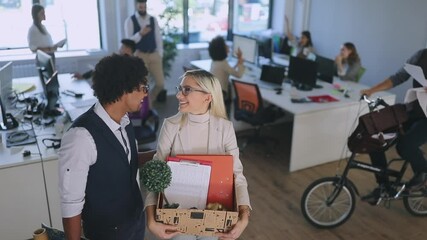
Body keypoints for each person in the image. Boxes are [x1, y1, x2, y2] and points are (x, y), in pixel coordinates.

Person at [145, 69, 251, 240]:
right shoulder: (170, 126)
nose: (179, 95)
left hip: (214, 212)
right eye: (180, 89)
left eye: (187, 89)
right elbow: (156, 175)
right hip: (176, 215)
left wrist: (244, 217)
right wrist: (150, 219)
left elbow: (237, 176)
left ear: (207, 97)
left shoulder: (225, 128)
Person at [58, 54, 150, 240]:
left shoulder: (123, 120)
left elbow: (123, 161)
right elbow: (71, 203)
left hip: (134, 222)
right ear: (125, 90)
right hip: (106, 233)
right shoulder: (80, 137)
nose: (145, 94)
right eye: (143, 88)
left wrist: (159, 155)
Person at [360, 48, 427, 204]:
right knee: (374, 137)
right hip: (414, 110)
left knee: (405, 146)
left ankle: (423, 172)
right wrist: (372, 90)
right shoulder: (421, 55)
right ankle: (384, 186)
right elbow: (398, 77)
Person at [124, 0, 167, 103]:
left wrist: (160, 53)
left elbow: (158, 38)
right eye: (140, 7)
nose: (142, 9)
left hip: (154, 54)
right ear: (136, 6)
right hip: (140, 55)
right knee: (144, 85)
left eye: (144, 7)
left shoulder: (153, 20)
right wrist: (140, 33)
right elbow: (128, 42)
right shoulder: (130, 20)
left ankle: (149, 102)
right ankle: (146, 108)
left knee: (160, 84)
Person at [208, 35, 245, 117]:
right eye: (225, 45)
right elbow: (238, 75)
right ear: (221, 50)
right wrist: (241, 62)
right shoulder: (223, 63)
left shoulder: (215, 61)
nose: (228, 46)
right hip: (220, 94)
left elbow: (228, 71)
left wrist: (238, 63)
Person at [72, 39, 137, 80]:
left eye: (122, 47)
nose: (119, 50)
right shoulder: (116, 60)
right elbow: (100, 69)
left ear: (128, 50)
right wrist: (83, 76)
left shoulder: (135, 65)